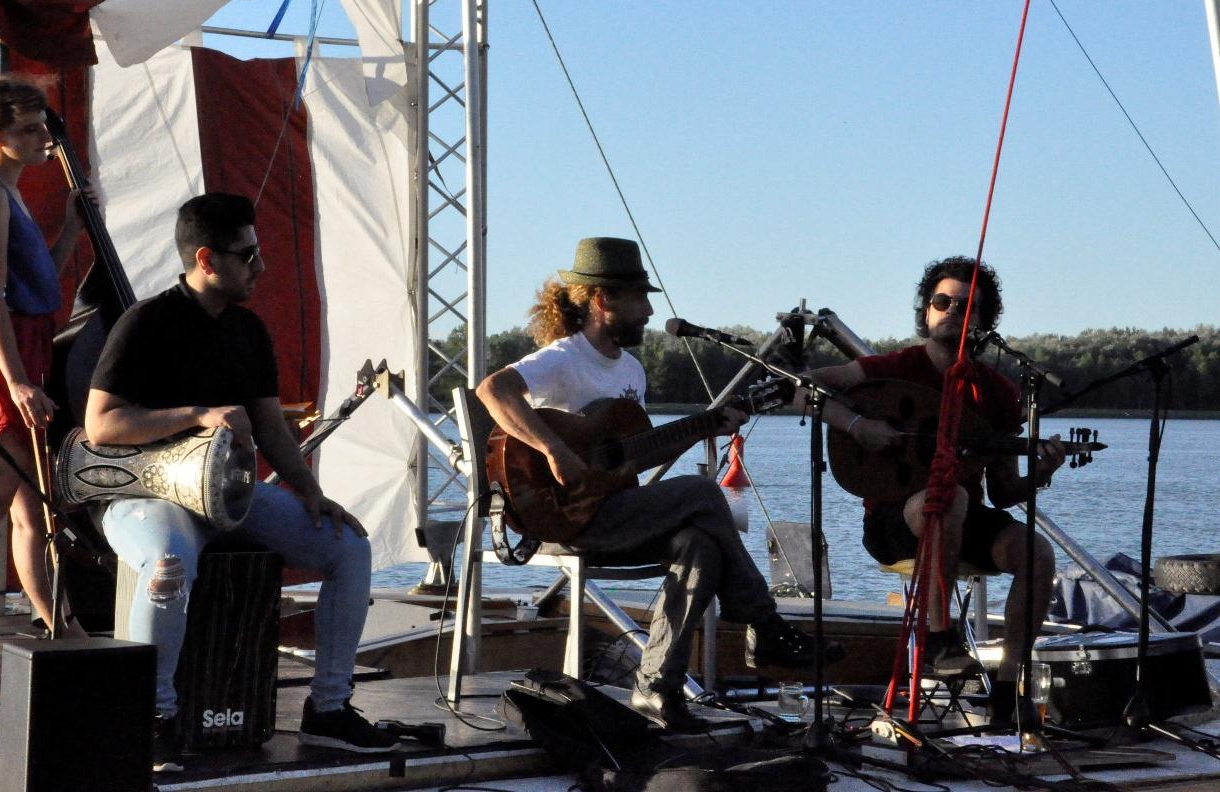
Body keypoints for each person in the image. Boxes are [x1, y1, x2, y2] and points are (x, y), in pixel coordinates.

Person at [83, 192, 396, 772]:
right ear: (206, 259)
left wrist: (310, 492)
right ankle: (153, 719)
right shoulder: (145, 322)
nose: (261, 266)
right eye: (248, 255)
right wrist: (195, 415)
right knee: (170, 561)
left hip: (226, 496)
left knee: (349, 548)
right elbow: (100, 426)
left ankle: (329, 710)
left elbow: (272, 429)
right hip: (141, 496)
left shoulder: (248, 331)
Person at [476, 237, 841, 732]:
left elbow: (633, 460)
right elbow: (493, 389)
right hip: (565, 516)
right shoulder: (565, 357)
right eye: (640, 299)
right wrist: (555, 451)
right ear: (604, 301)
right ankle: (765, 623)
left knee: (700, 543)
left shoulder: (632, 371)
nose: (649, 311)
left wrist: (708, 426)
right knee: (704, 494)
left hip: (617, 510)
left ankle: (655, 690)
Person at [805, 256, 1065, 723]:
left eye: (965, 306)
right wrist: (856, 424)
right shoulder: (895, 367)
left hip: (961, 519)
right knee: (950, 498)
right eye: (941, 301)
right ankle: (940, 639)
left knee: (1037, 551)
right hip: (892, 518)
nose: (950, 310)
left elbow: (1004, 492)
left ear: (982, 322)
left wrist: (1042, 472)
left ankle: (1008, 689)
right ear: (926, 311)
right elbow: (802, 387)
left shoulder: (998, 393)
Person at [0, 77, 90, 685]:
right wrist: (21, 381)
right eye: (29, 129)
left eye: (44, 126)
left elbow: (39, 288)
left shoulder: (11, 191)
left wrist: (72, 232)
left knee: (33, 507)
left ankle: (61, 624)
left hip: (20, 345)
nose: (43, 138)